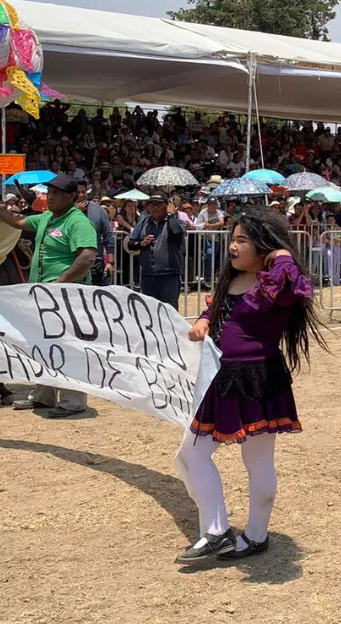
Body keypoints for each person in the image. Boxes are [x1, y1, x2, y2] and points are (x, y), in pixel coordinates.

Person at [175, 206, 328, 564]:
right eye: (232, 238)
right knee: (192, 453)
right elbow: (214, 309)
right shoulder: (232, 279)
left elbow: (291, 277)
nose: (232, 245)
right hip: (224, 376)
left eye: (242, 239)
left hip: (259, 378)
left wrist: (283, 252)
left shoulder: (277, 284)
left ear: (263, 246)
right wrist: (202, 323)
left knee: (256, 461)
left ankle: (255, 535)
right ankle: (217, 531)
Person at [0, 174, 98, 418]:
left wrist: (60, 282)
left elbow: (87, 257)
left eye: (57, 192)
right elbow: (18, 222)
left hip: (67, 295)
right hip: (44, 295)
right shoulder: (47, 217)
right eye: (49, 192)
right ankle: (43, 396)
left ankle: (73, 401)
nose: (52, 196)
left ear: (72, 196)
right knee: (44, 344)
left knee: (67, 347)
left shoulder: (77, 222)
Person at [126, 191, 185, 308]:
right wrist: (141, 244)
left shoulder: (175, 222)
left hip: (169, 275)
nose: (155, 207)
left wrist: (171, 215)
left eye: (158, 204)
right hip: (148, 276)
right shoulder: (144, 222)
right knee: (149, 311)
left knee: (169, 311)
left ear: (167, 205)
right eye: (151, 204)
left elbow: (177, 233)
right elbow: (130, 243)